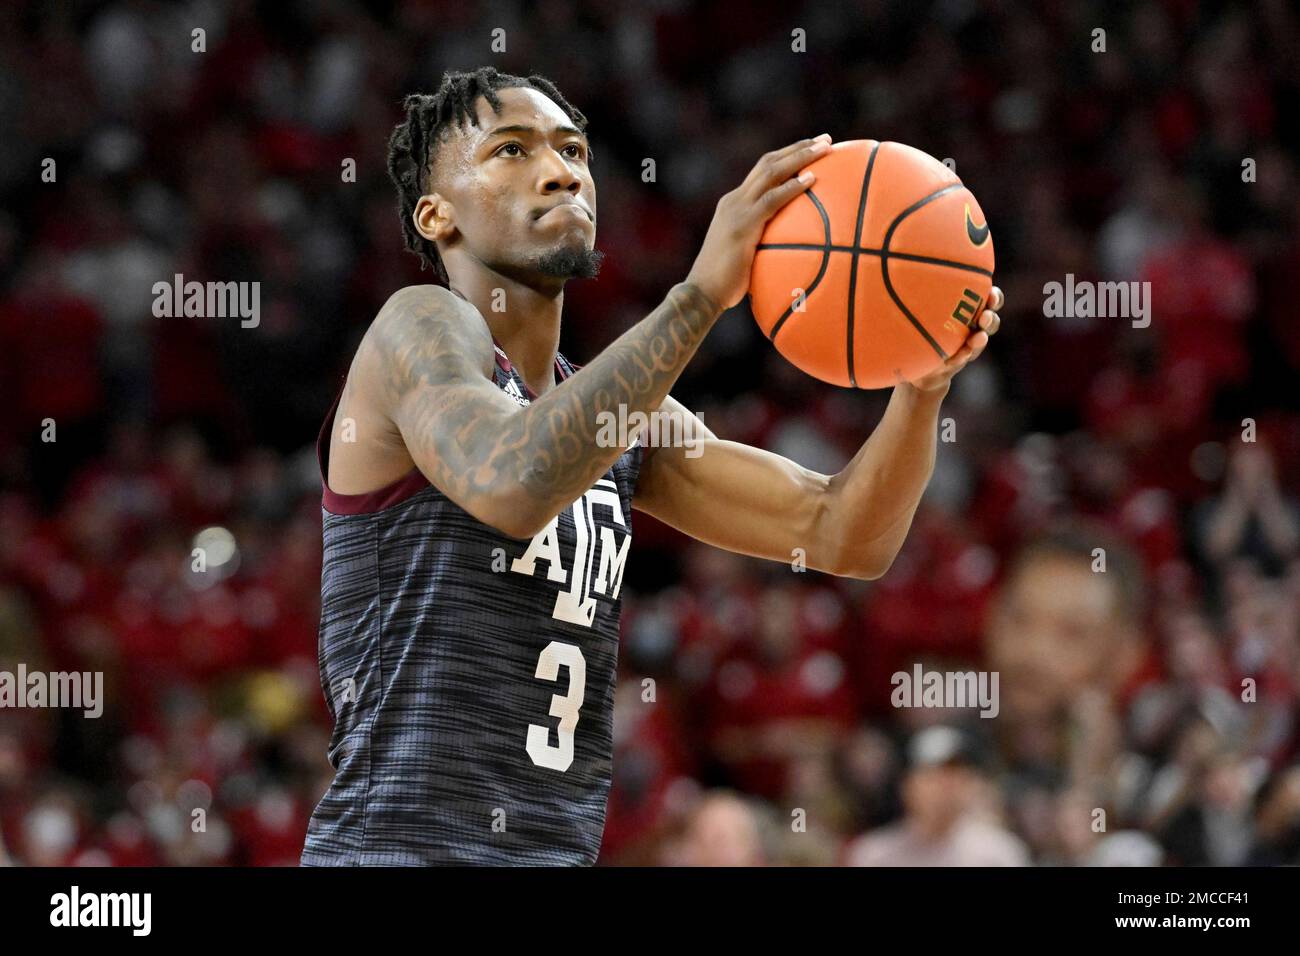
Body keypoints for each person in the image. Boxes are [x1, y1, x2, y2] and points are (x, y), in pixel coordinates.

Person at [300, 66, 1003, 865]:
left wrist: (919, 389)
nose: (561, 169)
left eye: (573, 150)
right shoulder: (415, 327)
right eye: (511, 149)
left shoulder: (620, 416)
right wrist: (700, 296)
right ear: (436, 215)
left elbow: (844, 533)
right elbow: (512, 479)